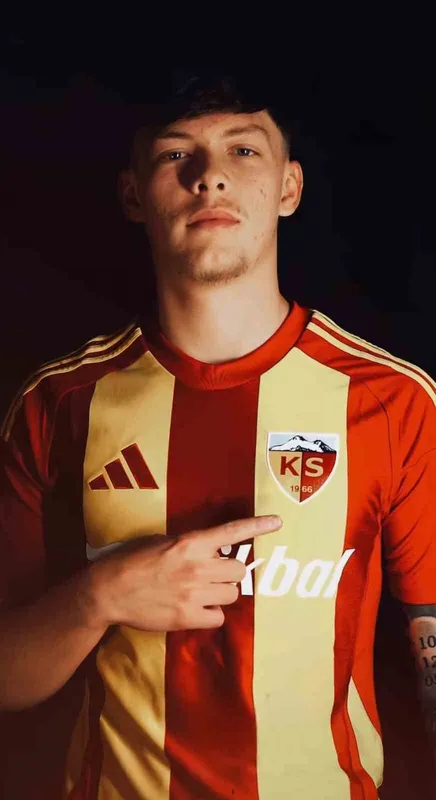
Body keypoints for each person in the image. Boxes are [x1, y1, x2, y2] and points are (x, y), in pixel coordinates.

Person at [1, 68, 435, 800]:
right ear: (133, 194)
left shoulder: (395, 401)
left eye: (243, 150)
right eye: (177, 154)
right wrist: (98, 596)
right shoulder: (57, 403)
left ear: (289, 187)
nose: (210, 177)